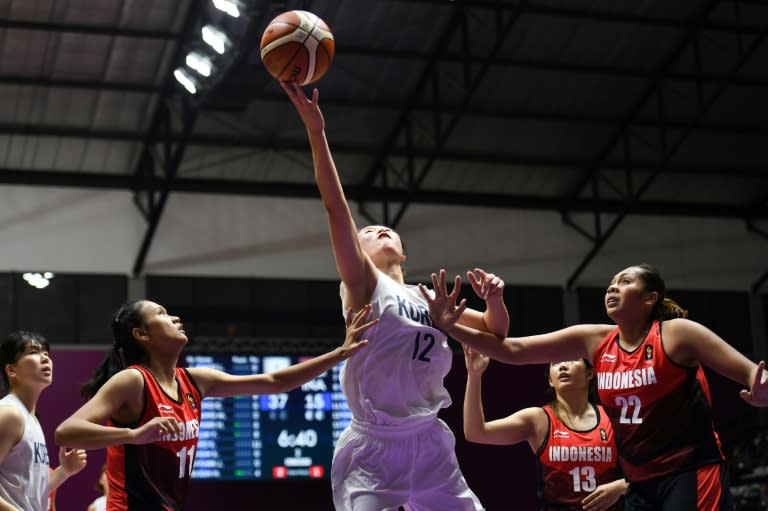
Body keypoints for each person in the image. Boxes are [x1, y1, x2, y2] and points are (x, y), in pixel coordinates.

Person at [282, 81, 510, 511]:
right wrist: (317, 132)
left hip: (429, 442)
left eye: (386, 229)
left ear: (404, 251)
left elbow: (497, 334)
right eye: (367, 232)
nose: (377, 229)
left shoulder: (431, 300)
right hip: (373, 449)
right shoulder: (364, 284)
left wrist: (494, 301)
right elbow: (336, 208)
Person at [421, 264, 768, 510]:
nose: (613, 287)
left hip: (689, 472)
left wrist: (760, 387)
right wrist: (449, 326)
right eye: (611, 282)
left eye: (625, 281)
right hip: (640, 482)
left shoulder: (676, 334)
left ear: (650, 298)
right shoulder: (594, 339)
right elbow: (510, 350)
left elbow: (753, 373)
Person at [54, 300, 376, 511]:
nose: (175, 317)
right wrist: (132, 435)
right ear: (141, 334)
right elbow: (67, 432)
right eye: (162, 315)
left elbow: (275, 383)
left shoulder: (196, 380)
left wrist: (340, 353)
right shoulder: (133, 381)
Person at [463, 348, 627, 510]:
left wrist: (622, 486)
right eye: (555, 363)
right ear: (550, 380)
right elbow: (476, 433)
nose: (563, 366)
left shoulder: (613, 418)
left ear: (589, 374)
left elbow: (648, 471)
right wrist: (474, 375)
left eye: (571, 359)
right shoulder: (538, 420)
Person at [0, 331, 87, 511]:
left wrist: (65, 471)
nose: (45, 358)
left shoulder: (31, 419)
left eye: (46, 354)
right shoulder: (9, 414)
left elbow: (31, 491)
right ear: (11, 370)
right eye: (33, 352)